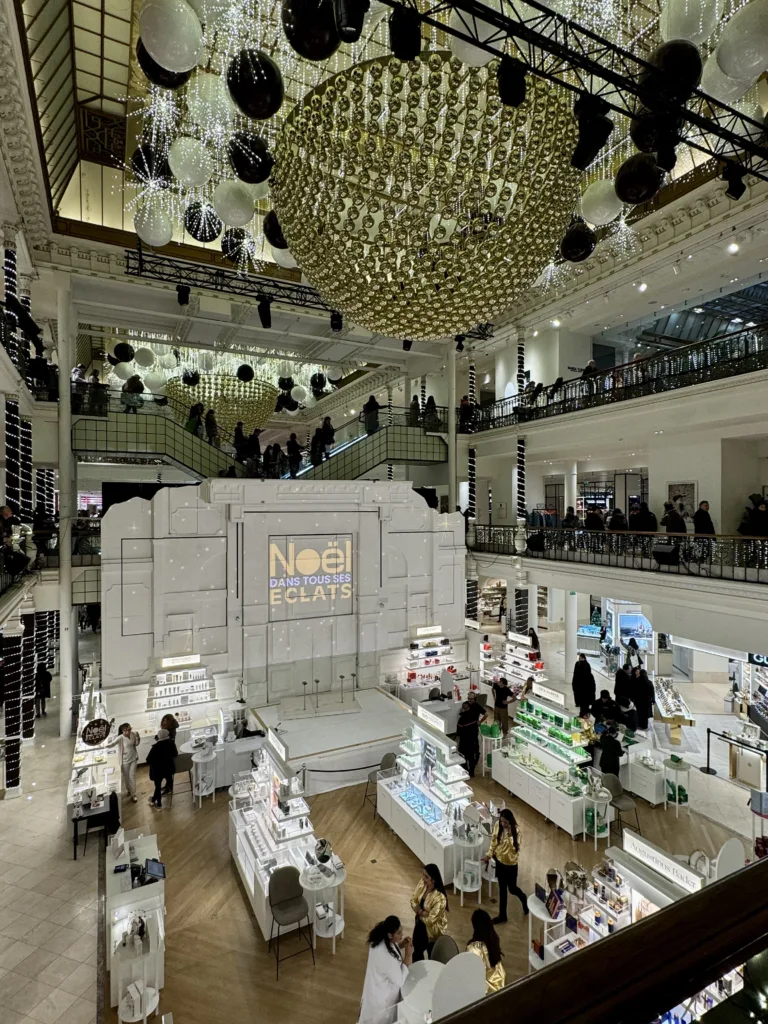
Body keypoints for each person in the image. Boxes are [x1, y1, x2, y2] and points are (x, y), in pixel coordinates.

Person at [359, 916, 412, 1024]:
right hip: (381, 1002)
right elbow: (399, 981)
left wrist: (401, 945)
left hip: (374, 990)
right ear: (390, 935)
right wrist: (408, 955)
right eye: (398, 933)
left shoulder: (379, 939)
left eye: (401, 930)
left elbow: (391, 947)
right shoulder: (385, 957)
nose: (402, 934)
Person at [485, 808, 528, 923]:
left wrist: (509, 836)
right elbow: (494, 841)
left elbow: (515, 851)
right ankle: (502, 915)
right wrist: (489, 855)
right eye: (501, 821)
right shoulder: (497, 825)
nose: (502, 823)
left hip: (511, 865)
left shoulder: (516, 832)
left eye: (505, 822)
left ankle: (524, 898)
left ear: (510, 821)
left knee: (512, 889)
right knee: (502, 890)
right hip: (500, 863)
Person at [410, 864, 449, 961]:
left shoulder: (440, 898)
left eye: (426, 876)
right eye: (423, 875)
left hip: (432, 933)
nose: (423, 878)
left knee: (433, 956)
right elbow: (413, 900)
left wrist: (418, 910)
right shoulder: (422, 883)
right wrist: (421, 912)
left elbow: (431, 921)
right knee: (417, 951)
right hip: (420, 924)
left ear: (434, 879)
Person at [467, 909, 505, 993]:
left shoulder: (475, 948)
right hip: (498, 986)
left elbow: (472, 976)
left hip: (484, 992)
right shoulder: (494, 939)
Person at [456, 692, 488, 777]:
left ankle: (466, 770)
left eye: (471, 699)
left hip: (467, 738)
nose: (469, 700)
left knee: (465, 754)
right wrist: (478, 722)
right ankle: (471, 771)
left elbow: (459, 732)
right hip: (473, 734)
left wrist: (479, 722)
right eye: (468, 699)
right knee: (473, 753)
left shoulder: (461, 719)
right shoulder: (473, 717)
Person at [146, 728, 177, 809]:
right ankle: (154, 799)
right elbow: (175, 754)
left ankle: (158, 803)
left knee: (158, 786)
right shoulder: (171, 743)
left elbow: (148, 759)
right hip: (169, 768)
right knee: (168, 781)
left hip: (158, 770)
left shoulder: (156, 747)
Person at [117, 722, 140, 803]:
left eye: (131, 728)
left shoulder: (133, 734)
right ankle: (129, 790)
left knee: (132, 776)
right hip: (125, 760)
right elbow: (119, 751)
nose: (130, 730)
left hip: (133, 758)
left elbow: (136, 744)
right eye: (129, 729)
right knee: (126, 777)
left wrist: (138, 738)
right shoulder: (120, 738)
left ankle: (133, 794)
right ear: (124, 730)